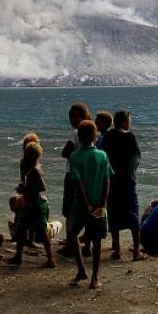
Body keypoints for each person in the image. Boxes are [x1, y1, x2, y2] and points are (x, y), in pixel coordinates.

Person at [65, 120, 112, 290]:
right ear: (95, 137)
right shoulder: (102, 156)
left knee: (72, 234)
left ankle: (81, 269)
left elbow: (78, 184)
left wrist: (86, 206)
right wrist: (103, 205)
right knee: (97, 241)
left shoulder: (74, 156)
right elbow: (107, 181)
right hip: (99, 205)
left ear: (79, 137)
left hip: (80, 205)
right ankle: (95, 278)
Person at [7, 143, 56, 268]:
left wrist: (25, 190)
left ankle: (19, 257)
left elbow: (42, 187)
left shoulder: (34, 171)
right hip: (35, 204)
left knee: (22, 229)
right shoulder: (34, 168)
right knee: (40, 232)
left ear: (28, 155)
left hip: (34, 205)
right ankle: (50, 259)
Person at [103, 110, 142, 261]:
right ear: (126, 122)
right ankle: (136, 251)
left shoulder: (108, 136)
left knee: (114, 213)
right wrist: (131, 172)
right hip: (128, 180)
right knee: (133, 214)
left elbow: (105, 155)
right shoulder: (130, 136)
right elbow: (136, 157)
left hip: (112, 179)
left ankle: (117, 249)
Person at [60, 102, 92, 257]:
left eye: (73, 116)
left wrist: (76, 157)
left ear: (82, 116)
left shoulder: (76, 133)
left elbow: (65, 152)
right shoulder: (94, 132)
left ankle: (70, 244)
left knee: (70, 211)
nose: (71, 120)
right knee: (87, 210)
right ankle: (87, 245)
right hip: (88, 176)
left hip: (73, 175)